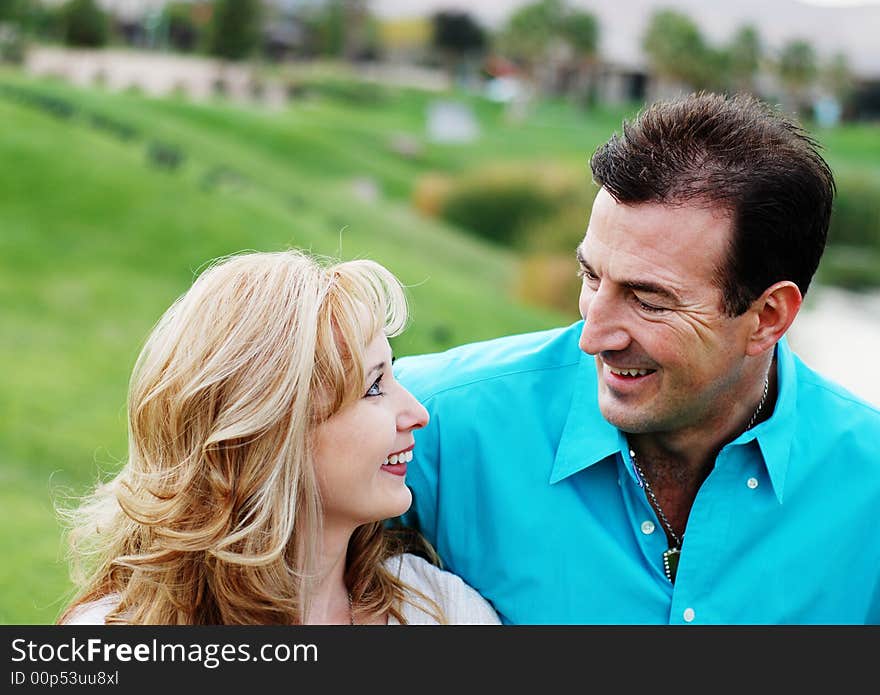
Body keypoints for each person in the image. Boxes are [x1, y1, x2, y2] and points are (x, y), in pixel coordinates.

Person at [394, 92, 880, 625]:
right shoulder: (422, 424)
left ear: (768, 316)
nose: (593, 335)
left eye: (648, 300)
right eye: (591, 277)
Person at [58, 250, 500, 625]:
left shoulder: (443, 614)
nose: (417, 414)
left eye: (392, 373)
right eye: (373, 387)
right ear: (270, 429)